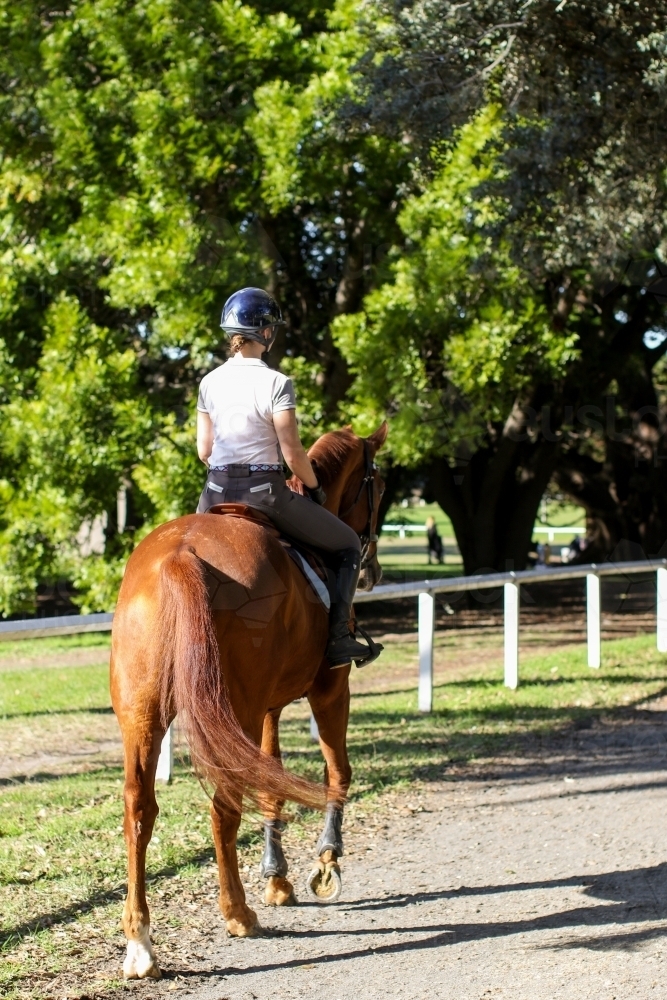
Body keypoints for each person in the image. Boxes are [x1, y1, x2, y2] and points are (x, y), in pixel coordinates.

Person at [195, 287, 378, 668]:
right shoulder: (277, 383)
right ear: (266, 333)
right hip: (265, 495)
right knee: (345, 544)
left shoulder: (209, 382)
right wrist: (313, 486)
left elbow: (204, 451)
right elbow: (293, 452)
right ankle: (339, 639)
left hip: (212, 494)